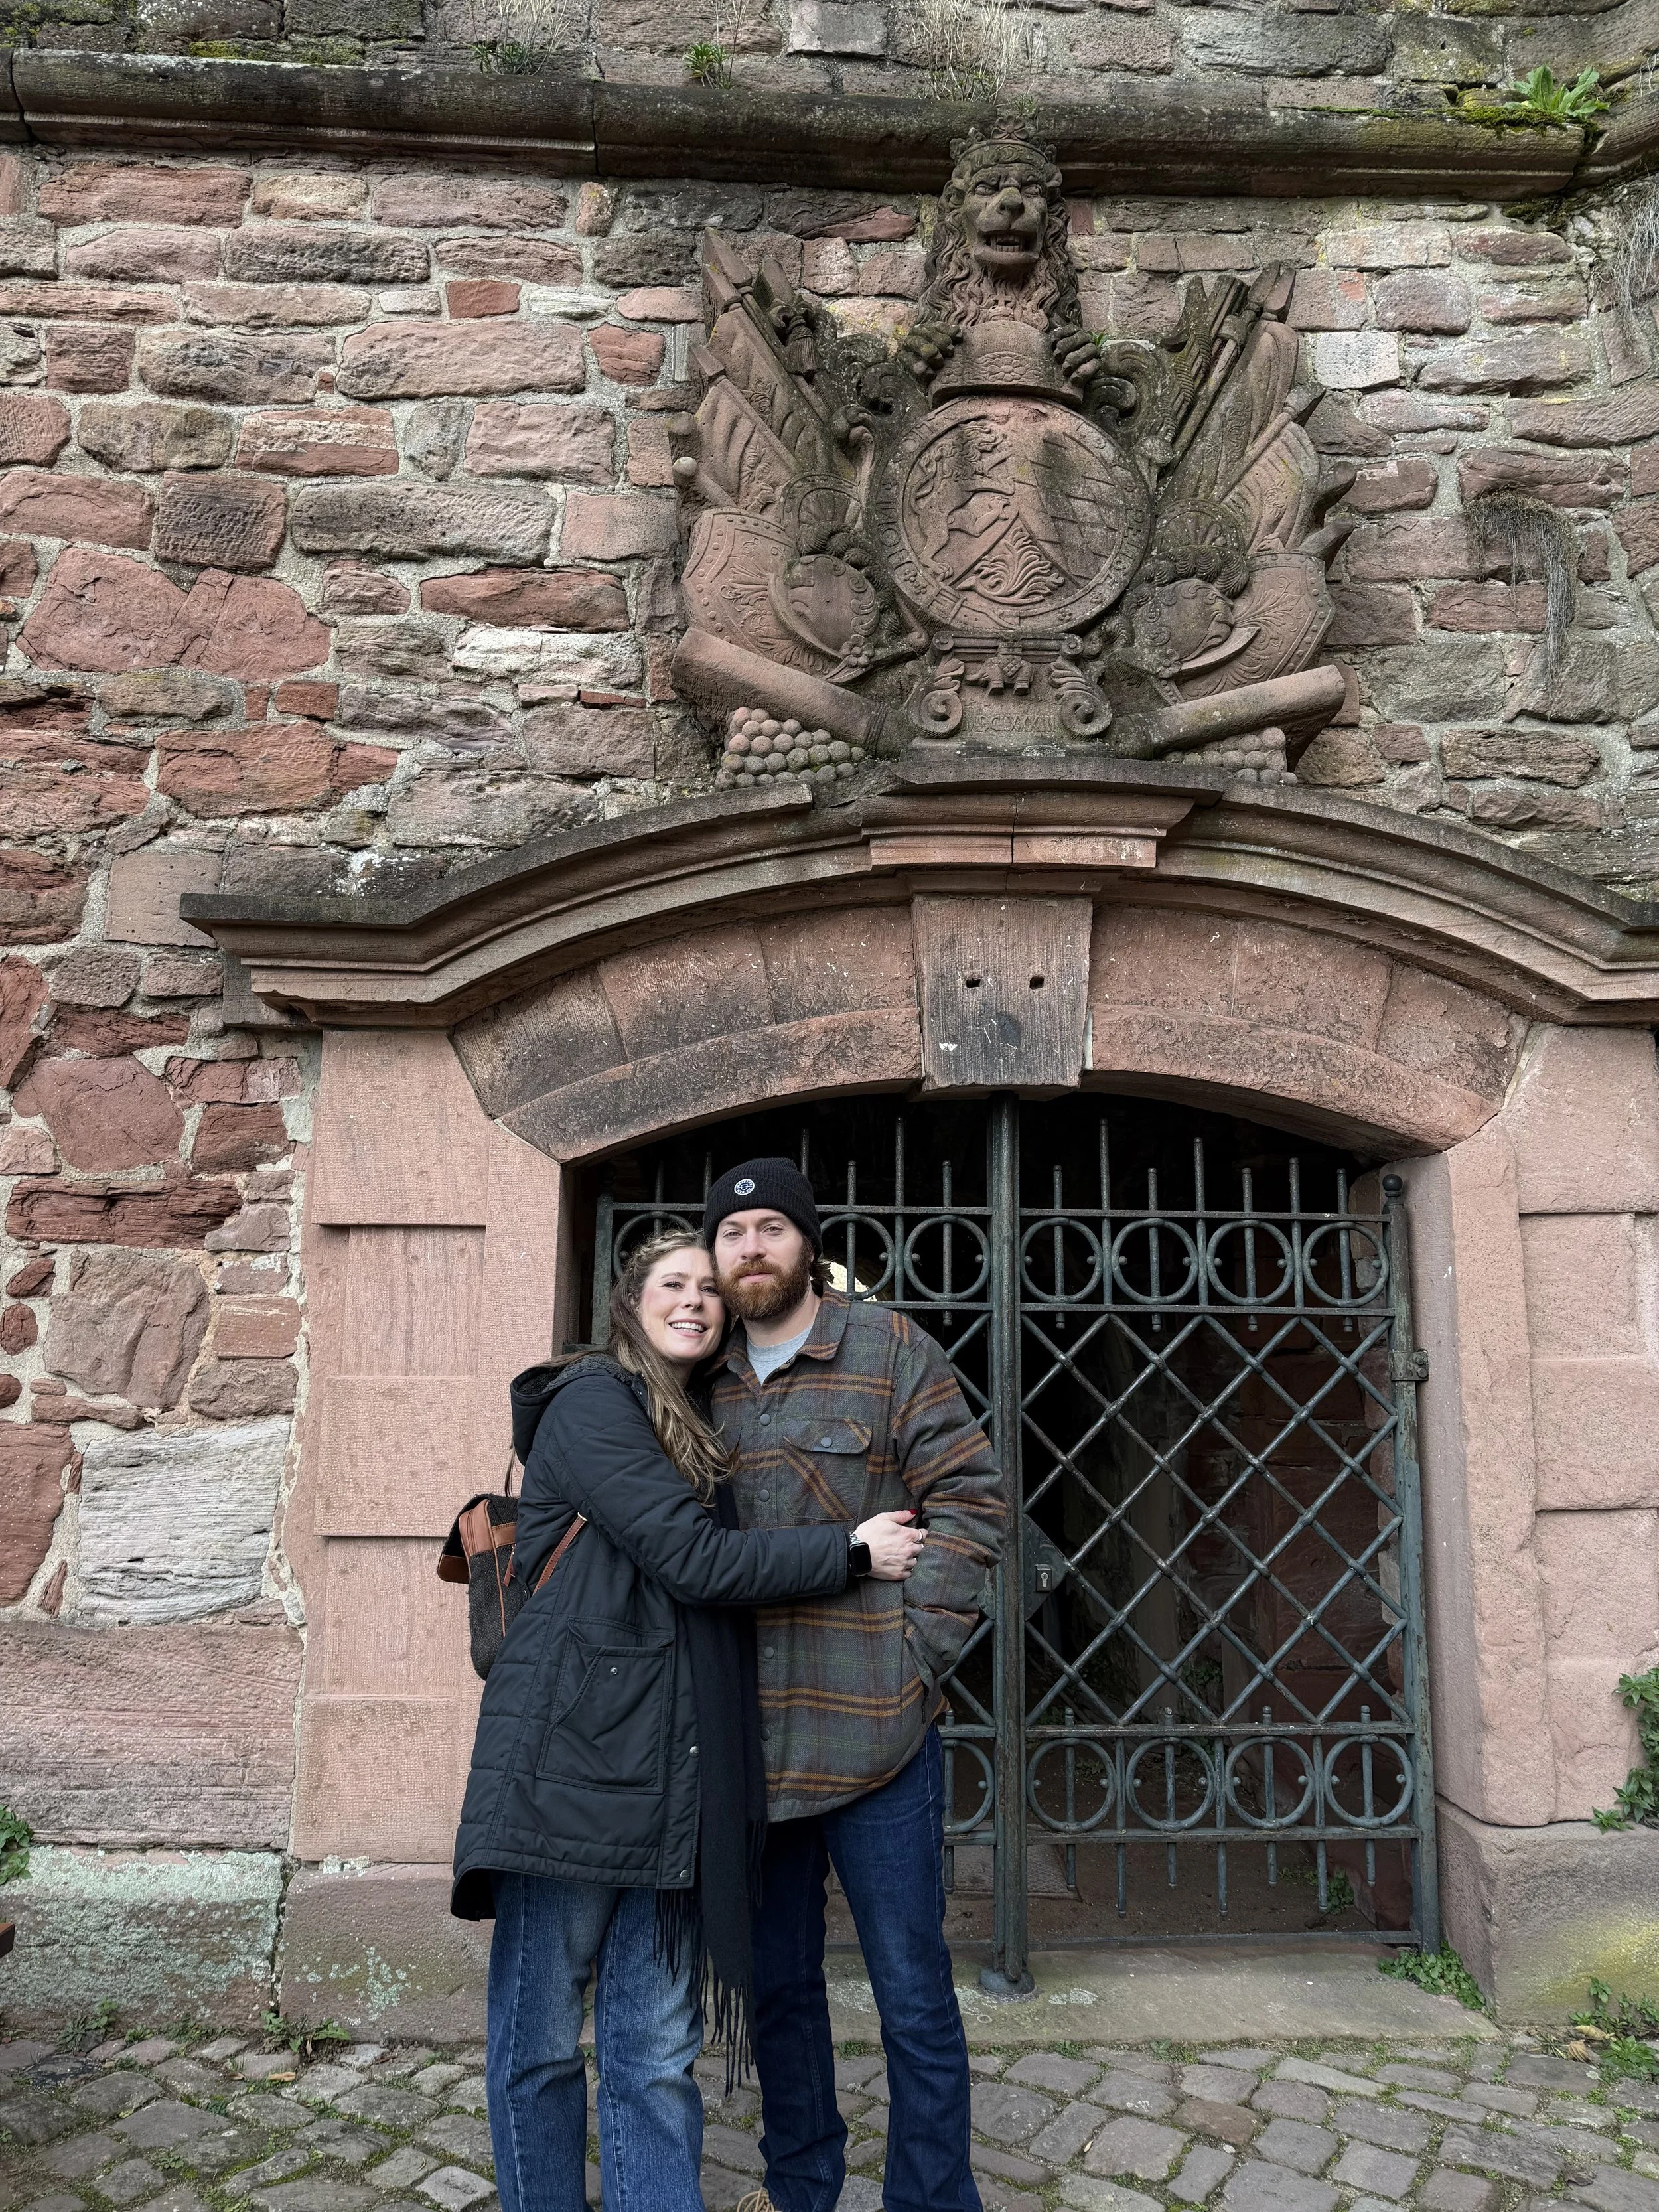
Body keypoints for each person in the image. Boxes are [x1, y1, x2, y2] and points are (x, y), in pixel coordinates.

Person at [450, 1232, 926, 2212]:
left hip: (681, 1772)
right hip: (572, 1768)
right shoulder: (593, 1402)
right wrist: (849, 1550)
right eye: (675, 1283)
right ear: (630, 1301)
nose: (697, 1301)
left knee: (655, 2048)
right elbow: (693, 1559)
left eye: (710, 1290)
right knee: (539, 2039)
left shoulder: (700, 1420)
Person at [701, 1158, 1005, 2212]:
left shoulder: (887, 1349)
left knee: (913, 1995)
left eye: (771, 1229)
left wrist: (920, 1652)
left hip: (878, 1732)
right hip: (751, 1744)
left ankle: (931, 2198)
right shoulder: (694, 1369)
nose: (750, 1250)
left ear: (807, 1243)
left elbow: (971, 1497)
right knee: (780, 1991)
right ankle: (803, 2188)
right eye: (732, 1235)